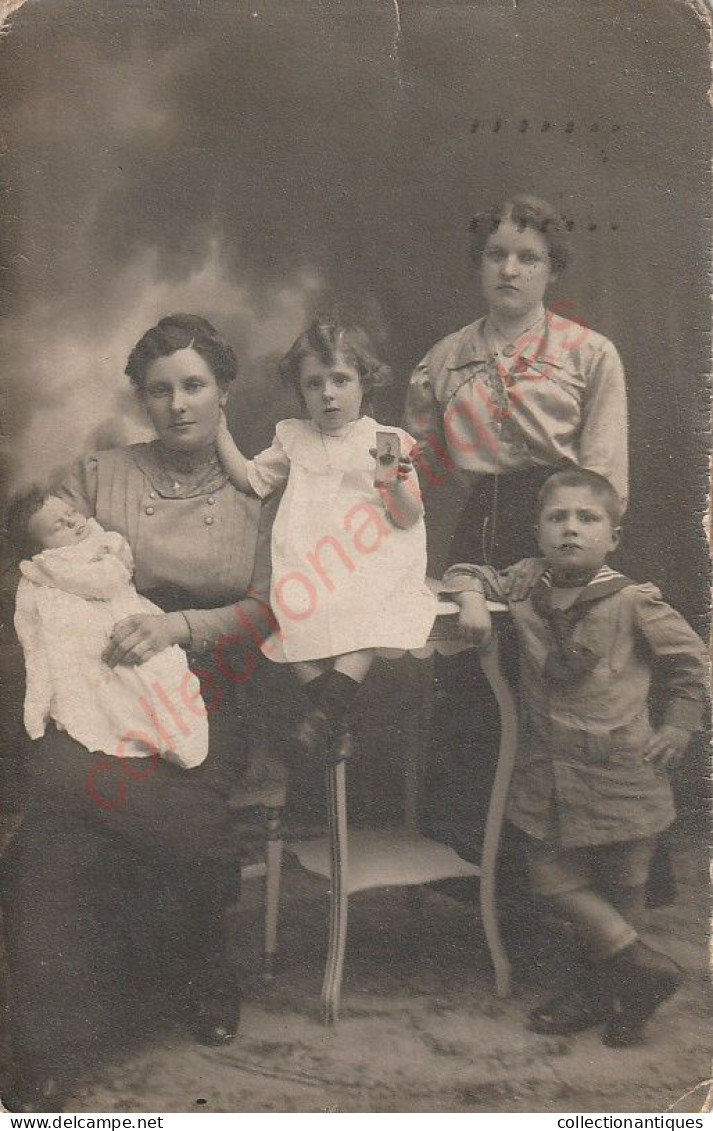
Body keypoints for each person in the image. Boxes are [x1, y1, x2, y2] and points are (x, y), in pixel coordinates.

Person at [0, 314, 275, 1111]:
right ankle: (47, 1049)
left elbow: (267, 607)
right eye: (160, 390)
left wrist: (177, 627)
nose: (178, 404)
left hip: (205, 682)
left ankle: (194, 960)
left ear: (224, 389)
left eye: (194, 385)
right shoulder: (97, 473)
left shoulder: (257, 488)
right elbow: (44, 564)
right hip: (97, 685)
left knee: (88, 817)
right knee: (56, 827)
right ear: (142, 399)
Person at [402, 193, 630, 884]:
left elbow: (603, 472)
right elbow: (412, 470)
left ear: (550, 270)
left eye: (527, 257)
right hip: (479, 536)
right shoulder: (443, 361)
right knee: (477, 705)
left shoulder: (588, 354)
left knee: (562, 703)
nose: (509, 269)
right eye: (496, 254)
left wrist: (566, 550)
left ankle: (584, 891)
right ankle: (499, 891)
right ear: (479, 264)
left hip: (566, 525)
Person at [441, 468, 708, 1047]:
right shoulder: (527, 583)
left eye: (587, 519)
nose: (570, 529)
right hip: (551, 774)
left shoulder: (634, 601)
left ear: (613, 536)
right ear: (538, 531)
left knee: (626, 882)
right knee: (551, 877)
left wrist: (681, 725)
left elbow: (692, 665)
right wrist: (471, 599)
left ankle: (618, 994)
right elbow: (463, 571)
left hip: (624, 770)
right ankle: (640, 968)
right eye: (557, 517)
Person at [214, 317, 437, 761]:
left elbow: (409, 517)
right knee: (287, 622)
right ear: (301, 391)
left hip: (370, 558)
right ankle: (333, 714)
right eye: (314, 384)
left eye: (341, 379)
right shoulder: (293, 436)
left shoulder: (386, 440)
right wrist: (218, 428)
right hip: (311, 558)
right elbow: (253, 478)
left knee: (367, 622)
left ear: (364, 383)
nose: (328, 393)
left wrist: (391, 484)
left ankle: (324, 712)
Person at [9, 491, 208, 771]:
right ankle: (154, 729)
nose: (72, 522)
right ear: (40, 548)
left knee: (158, 666)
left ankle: (174, 731)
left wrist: (112, 552)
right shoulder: (50, 565)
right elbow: (39, 633)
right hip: (91, 634)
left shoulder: (99, 537)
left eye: (70, 513)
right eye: (58, 526)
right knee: (112, 686)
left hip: (125, 613)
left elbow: (120, 569)